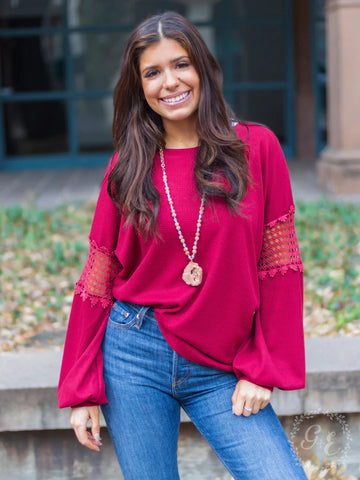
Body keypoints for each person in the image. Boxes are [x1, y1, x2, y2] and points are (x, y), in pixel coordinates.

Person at [58, 11, 307, 480]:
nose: (169, 82)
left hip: (223, 359)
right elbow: (98, 276)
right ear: (139, 86)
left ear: (204, 70)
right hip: (133, 353)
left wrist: (263, 367)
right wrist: (81, 389)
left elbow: (280, 266)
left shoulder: (256, 148)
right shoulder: (126, 166)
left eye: (181, 64)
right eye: (152, 72)